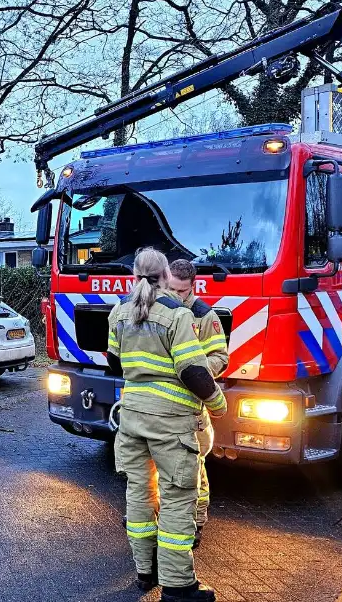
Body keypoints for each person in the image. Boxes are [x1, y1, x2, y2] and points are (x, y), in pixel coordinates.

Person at [108, 247, 227, 601]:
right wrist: (217, 404)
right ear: (164, 277)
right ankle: (177, 586)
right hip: (171, 426)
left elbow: (116, 367)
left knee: (139, 495)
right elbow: (193, 371)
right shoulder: (176, 315)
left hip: (131, 420)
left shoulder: (119, 312)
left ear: (134, 275)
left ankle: (146, 573)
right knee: (177, 500)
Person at [167, 259, 229, 547]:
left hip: (192, 401)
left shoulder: (204, 316)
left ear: (193, 286)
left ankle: (197, 521)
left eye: (182, 291)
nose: (177, 296)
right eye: (171, 288)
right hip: (166, 404)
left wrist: (196, 372)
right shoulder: (162, 308)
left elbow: (220, 356)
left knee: (194, 466)